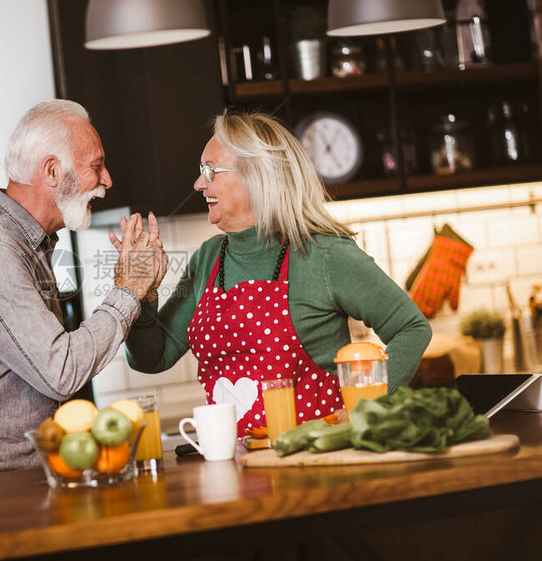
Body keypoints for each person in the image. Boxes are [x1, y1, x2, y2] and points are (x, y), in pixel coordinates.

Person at [123, 111, 432, 438]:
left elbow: (411, 328)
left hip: (317, 461)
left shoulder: (324, 254)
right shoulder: (208, 258)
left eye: (210, 171)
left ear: (256, 177)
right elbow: (151, 358)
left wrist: (368, 409)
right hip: (237, 462)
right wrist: (139, 292)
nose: (199, 183)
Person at [0, 99, 167, 483]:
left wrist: (139, 291)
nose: (107, 180)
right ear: (52, 171)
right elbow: (60, 371)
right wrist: (128, 289)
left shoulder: (30, 242)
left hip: (13, 477)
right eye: (96, 167)